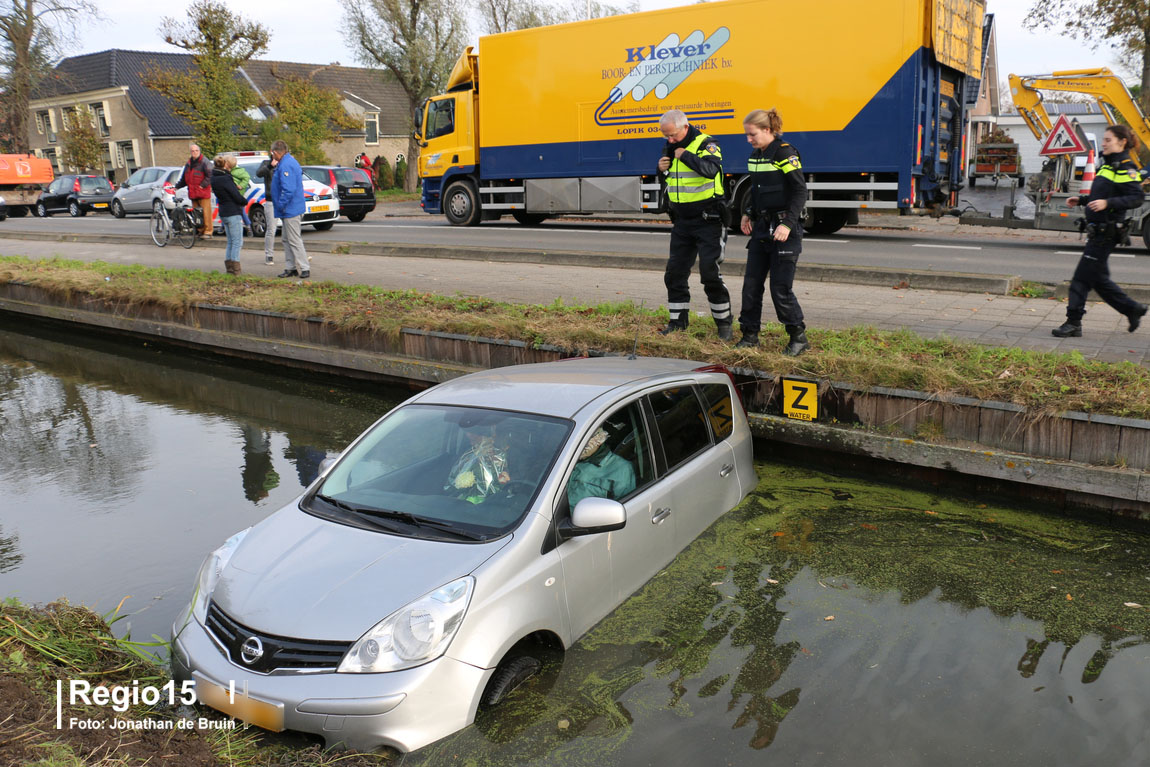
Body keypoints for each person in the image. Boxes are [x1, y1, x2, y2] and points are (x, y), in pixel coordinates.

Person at [1052, 124, 1148, 338]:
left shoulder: (1125, 166)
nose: (1103, 143)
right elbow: (1102, 194)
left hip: (1107, 232)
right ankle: (1132, 309)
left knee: (1080, 278)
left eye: (1108, 140)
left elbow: (1136, 198)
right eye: (1104, 140)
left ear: (1122, 142)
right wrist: (1083, 200)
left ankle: (1073, 322)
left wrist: (1108, 203)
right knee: (1097, 279)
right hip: (1098, 231)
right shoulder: (1108, 165)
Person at [736, 109, 810, 355]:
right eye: (747, 135)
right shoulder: (755, 156)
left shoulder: (785, 153)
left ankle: (798, 337)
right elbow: (757, 191)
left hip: (784, 230)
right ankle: (749, 336)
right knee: (751, 285)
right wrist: (748, 212)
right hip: (762, 229)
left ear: (767, 130)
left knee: (780, 288)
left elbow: (800, 191)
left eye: (752, 134)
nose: (749, 139)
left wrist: (787, 224)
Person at [656, 109, 733, 339]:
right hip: (682, 221)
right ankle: (677, 323)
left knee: (710, 273)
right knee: (674, 273)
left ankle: (724, 326)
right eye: (666, 136)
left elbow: (711, 171)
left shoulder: (706, 143)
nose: (669, 140)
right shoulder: (671, 146)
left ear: (685, 127)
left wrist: (684, 155)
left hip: (708, 219)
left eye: (672, 135)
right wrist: (661, 169)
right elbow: (673, 179)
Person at [269, 140, 310, 279]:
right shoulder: (288, 162)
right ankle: (290, 267)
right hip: (290, 208)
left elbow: (289, 189)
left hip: (290, 208)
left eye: (272, 152)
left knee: (293, 239)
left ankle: (304, 267)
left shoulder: (286, 165)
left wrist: (280, 205)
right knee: (286, 239)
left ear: (275, 152)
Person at [566, 428, 636, 509]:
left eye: (582, 441)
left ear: (599, 440)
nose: (575, 445)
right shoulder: (559, 458)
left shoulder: (621, 469)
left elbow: (624, 510)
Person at [210, 154, 249, 275]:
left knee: (230, 241)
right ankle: (235, 270)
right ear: (226, 165)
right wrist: (244, 201)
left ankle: (229, 268)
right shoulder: (225, 178)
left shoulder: (214, 177)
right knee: (237, 241)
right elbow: (235, 195)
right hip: (232, 211)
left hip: (223, 211)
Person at [175, 143, 213, 238]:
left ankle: (208, 231)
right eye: (192, 151)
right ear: (190, 152)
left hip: (203, 193)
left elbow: (211, 175)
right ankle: (200, 230)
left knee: (205, 213)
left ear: (199, 151)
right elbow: (185, 178)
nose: (194, 152)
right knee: (197, 214)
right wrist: (177, 186)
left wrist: (202, 185)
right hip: (193, 193)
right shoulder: (189, 164)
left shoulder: (205, 162)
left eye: (196, 151)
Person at [256, 154, 279, 265]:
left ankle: (294, 256)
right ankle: (269, 255)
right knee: (271, 229)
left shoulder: (284, 164)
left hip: (284, 200)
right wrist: (270, 166)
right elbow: (259, 174)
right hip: (271, 200)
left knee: (290, 231)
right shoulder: (266, 163)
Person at [225, 155, 253, 236]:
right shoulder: (226, 172)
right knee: (227, 211)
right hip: (230, 195)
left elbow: (246, 177)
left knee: (241, 211)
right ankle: (223, 226)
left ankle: (248, 226)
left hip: (238, 194)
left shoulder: (238, 171)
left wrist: (241, 185)